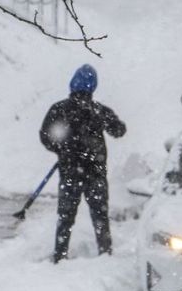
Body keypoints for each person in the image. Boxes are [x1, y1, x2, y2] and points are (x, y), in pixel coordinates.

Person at [39, 64, 126, 263]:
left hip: (70, 172)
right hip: (95, 172)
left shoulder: (59, 109)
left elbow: (45, 136)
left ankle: (60, 255)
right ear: (93, 87)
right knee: (100, 217)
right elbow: (119, 130)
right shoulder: (98, 110)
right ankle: (105, 253)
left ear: (72, 84)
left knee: (66, 217)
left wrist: (62, 149)